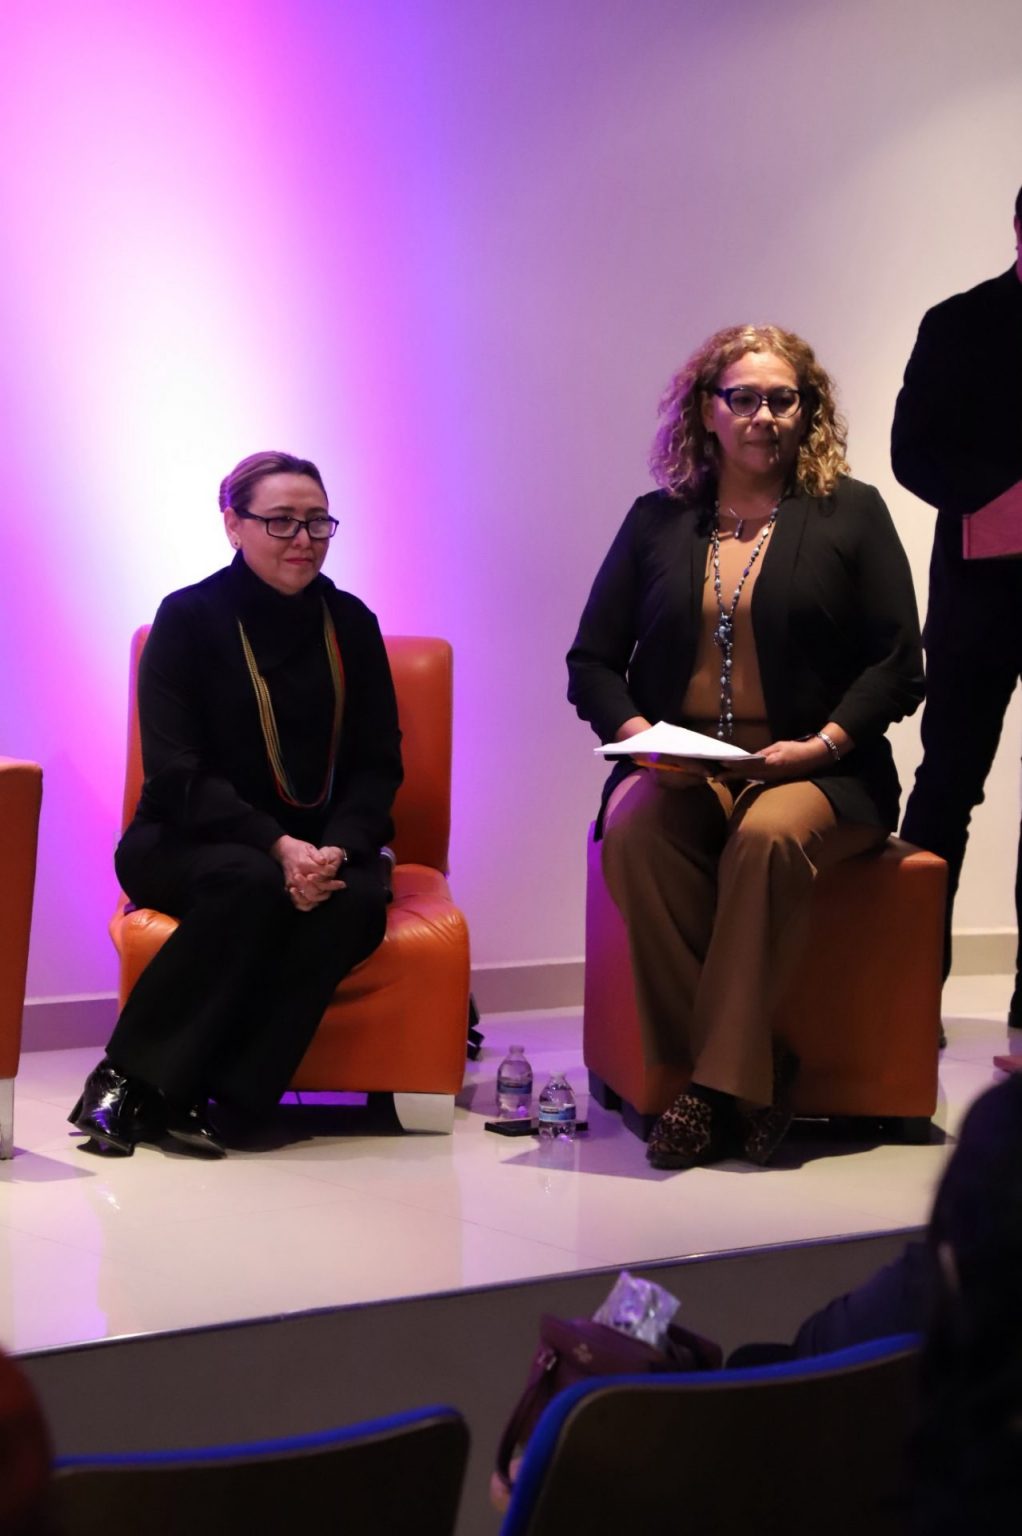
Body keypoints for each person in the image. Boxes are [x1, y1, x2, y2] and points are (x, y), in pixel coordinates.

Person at [567, 324, 924, 1170]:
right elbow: (592, 662)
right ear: (707, 411)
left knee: (765, 837)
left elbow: (897, 662)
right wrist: (642, 743)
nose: (764, 416)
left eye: (783, 399)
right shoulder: (656, 521)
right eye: (744, 398)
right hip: (684, 767)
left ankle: (713, 1090)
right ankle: (758, 1073)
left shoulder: (851, 512)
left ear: (807, 412)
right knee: (636, 834)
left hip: (822, 770)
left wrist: (822, 744)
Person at [69, 451, 402, 1157]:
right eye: (281, 521)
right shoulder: (188, 617)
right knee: (249, 881)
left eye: (317, 521)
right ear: (233, 525)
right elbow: (174, 770)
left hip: (319, 843)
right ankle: (127, 1079)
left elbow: (378, 765)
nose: (303, 539)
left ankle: (228, 1096)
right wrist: (276, 845)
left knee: (354, 901)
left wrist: (335, 848)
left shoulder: (350, 622)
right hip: (184, 836)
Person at [893, 185, 1022, 1025]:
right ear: (1017, 228)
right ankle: (907, 997)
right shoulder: (959, 323)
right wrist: (1002, 497)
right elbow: (913, 453)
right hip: (981, 599)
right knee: (946, 787)